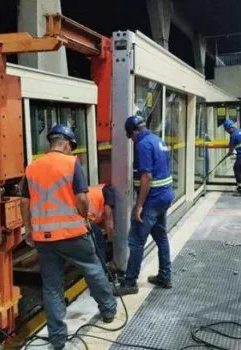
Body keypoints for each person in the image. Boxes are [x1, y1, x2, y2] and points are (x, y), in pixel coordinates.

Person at [20, 125, 116, 350]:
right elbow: (82, 199)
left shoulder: (32, 167)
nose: (72, 151)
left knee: (52, 286)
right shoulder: (71, 164)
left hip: (44, 238)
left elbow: (24, 203)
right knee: (93, 269)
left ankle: (58, 338)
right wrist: (85, 216)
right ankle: (109, 310)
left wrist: (29, 230)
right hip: (72, 233)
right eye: (72, 147)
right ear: (65, 143)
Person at [114, 115, 175, 296]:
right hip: (165, 195)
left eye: (130, 136)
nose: (131, 140)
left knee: (136, 241)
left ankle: (130, 282)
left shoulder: (142, 145)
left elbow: (146, 177)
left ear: (133, 132)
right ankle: (165, 276)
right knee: (161, 237)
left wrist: (139, 205)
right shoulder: (158, 140)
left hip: (153, 200)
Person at [87, 184, 116, 264]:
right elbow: (109, 220)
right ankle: (103, 270)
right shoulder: (109, 194)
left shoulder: (100, 190)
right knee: (100, 244)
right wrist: (111, 242)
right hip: (81, 219)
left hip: (73, 217)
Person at [224, 119, 241, 196]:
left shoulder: (233, 136)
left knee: (237, 170)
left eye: (226, 130)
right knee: (239, 169)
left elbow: (231, 147)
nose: (226, 131)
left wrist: (229, 153)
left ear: (229, 128)